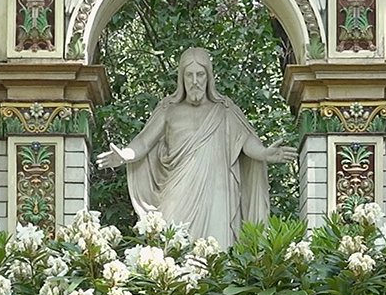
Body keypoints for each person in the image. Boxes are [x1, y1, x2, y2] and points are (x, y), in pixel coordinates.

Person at [97, 47, 293, 247]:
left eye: (200, 74)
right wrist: (125, 155)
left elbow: (245, 141)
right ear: (181, 78)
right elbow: (144, 142)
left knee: (216, 252)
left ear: (209, 77)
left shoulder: (224, 110)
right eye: (189, 75)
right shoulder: (169, 109)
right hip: (177, 191)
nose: (195, 81)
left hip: (217, 192)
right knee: (172, 250)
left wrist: (264, 153)